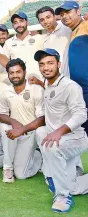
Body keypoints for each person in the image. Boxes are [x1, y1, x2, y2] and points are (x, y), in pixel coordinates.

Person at [34, 48, 88, 213]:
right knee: (41, 133)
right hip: (60, 139)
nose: (46, 67)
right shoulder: (49, 85)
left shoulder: (70, 86)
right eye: (42, 64)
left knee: (50, 145)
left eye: (50, 63)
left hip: (75, 139)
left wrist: (59, 131)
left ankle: (63, 196)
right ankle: (61, 182)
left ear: (59, 64)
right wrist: (39, 83)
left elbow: (81, 114)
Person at [0, 58, 44, 183]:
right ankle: (7, 168)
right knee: (4, 127)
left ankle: (38, 157)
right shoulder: (6, 93)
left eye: (18, 72)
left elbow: (42, 118)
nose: (15, 75)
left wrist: (23, 129)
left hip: (31, 133)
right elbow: (1, 115)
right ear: (8, 75)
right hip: (15, 133)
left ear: (24, 72)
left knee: (21, 175)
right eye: (11, 73)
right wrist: (13, 121)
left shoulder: (36, 90)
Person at [55, 1, 88, 134]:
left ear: (78, 11)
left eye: (68, 12)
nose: (64, 16)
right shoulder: (73, 32)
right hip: (81, 91)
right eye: (62, 14)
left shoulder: (85, 25)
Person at [3, 12, 44, 80]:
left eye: (21, 21)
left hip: (39, 79)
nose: (19, 25)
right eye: (15, 22)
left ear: (27, 22)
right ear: (13, 25)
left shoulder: (39, 38)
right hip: (19, 82)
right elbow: (5, 62)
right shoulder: (8, 42)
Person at [36, 6, 71, 79]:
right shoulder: (43, 40)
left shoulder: (67, 28)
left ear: (55, 16)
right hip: (56, 82)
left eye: (48, 17)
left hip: (73, 79)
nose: (45, 21)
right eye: (42, 20)